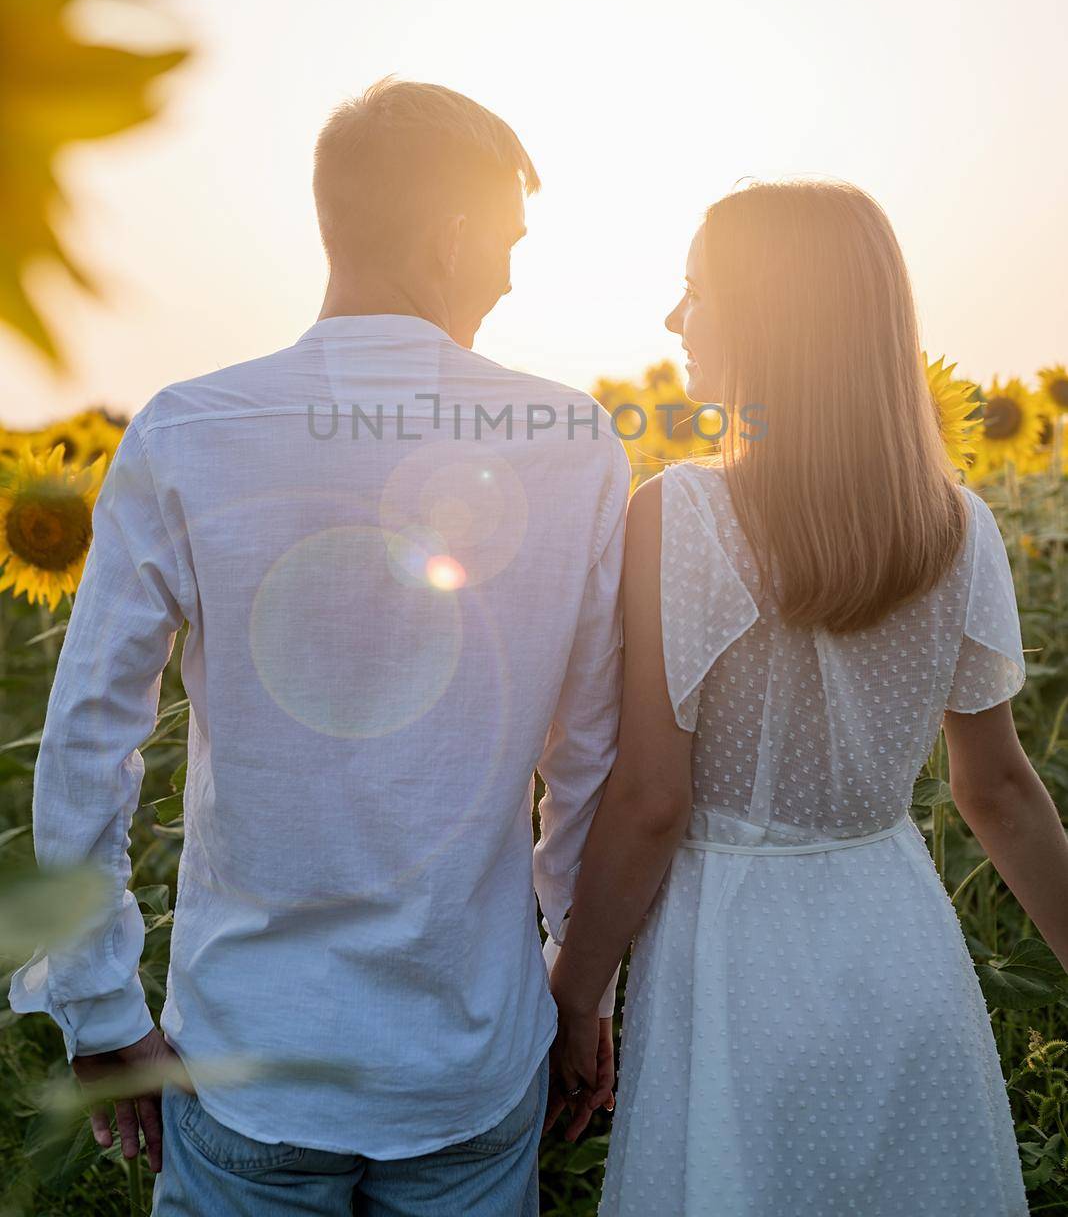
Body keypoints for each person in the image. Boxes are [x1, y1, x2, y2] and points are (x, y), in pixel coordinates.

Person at [8, 77, 628, 1216]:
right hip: (469, 1060)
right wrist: (577, 989)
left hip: (248, 1060)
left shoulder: (192, 429)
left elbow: (88, 737)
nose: (507, 276)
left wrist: (101, 1009)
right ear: (448, 239)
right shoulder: (572, 443)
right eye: (503, 243)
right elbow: (588, 754)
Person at [547, 179, 1068, 1216]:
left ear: (766, 317)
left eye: (694, 290)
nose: (673, 320)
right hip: (903, 946)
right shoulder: (957, 526)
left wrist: (575, 993)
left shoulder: (685, 513)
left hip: (733, 965)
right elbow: (1001, 792)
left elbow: (652, 800)